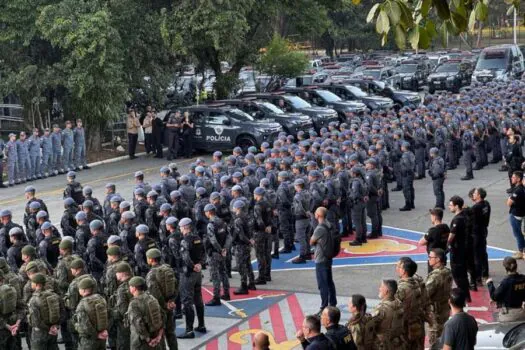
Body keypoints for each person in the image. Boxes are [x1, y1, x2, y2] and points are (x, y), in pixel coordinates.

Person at [177, 217, 206, 338]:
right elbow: (204, 253)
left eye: (180, 227)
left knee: (187, 301)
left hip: (188, 273)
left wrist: (193, 266)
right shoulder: (198, 238)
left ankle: (189, 330)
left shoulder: (185, 241)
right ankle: (201, 324)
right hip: (198, 273)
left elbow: (185, 257)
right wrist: (200, 264)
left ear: (184, 227)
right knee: (198, 298)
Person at [310, 207, 337, 315]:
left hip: (321, 258)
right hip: (328, 256)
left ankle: (324, 306)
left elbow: (311, 241)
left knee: (322, 284)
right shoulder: (329, 224)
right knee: (329, 281)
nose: (314, 214)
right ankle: (333, 303)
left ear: (319, 215)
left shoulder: (320, 228)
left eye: (316, 212)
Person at [204, 203, 231, 305]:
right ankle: (227, 293)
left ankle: (216, 297)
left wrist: (220, 250)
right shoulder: (222, 222)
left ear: (209, 212)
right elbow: (229, 237)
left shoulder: (211, 224)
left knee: (215, 275)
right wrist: (225, 249)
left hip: (215, 253)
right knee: (223, 272)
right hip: (223, 252)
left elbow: (213, 241)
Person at [127, 276, 165, 349]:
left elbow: (138, 324)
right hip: (156, 336)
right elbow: (163, 316)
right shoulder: (152, 298)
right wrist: (159, 336)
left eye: (130, 286)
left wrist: (149, 340)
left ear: (134, 288)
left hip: (140, 342)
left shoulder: (134, 303)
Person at [27, 273, 63, 350]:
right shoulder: (55, 295)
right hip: (53, 331)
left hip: (39, 334)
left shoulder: (33, 300)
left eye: (32, 282)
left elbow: (36, 321)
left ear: (36, 284)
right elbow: (63, 313)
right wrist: (55, 326)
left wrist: (48, 328)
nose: (31, 284)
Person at [425, 248, 453, 348]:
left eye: (430, 257)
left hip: (435, 313)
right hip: (444, 309)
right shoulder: (447, 271)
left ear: (438, 259)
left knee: (434, 340)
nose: (428, 259)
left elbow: (425, 294)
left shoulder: (435, 276)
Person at [448, 195, 471, 302]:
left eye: (451, 205)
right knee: (463, 274)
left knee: (458, 274)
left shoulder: (457, 220)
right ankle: (466, 295)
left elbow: (451, 236)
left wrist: (446, 245)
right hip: (466, 249)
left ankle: (462, 297)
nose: (449, 207)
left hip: (457, 251)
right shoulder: (465, 215)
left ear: (457, 206)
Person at [486, 256, 525, 322]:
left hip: (508, 315)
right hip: (521, 313)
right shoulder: (523, 278)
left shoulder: (506, 282)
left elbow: (494, 296)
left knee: (496, 320)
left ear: (505, 268)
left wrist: (490, 284)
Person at [74, 278, 108, 350]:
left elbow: (85, 326)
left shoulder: (82, 304)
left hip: (89, 340)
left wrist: (76, 326)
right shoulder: (101, 298)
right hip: (102, 337)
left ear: (83, 290)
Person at [419, 208, 450, 272]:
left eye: (431, 216)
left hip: (434, 258)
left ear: (434, 217)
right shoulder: (446, 227)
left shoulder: (433, 230)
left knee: (433, 277)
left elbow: (421, 242)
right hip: (442, 255)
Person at [470, 187, 491, 282]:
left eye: (474, 193)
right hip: (483, 230)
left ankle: (477, 277)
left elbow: (469, 220)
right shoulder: (486, 204)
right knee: (483, 253)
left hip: (475, 233)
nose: (473, 194)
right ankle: (485, 272)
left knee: (476, 255)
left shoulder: (475, 208)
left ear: (478, 195)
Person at [507, 171, 525, 259]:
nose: (511, 178)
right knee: (518, 233)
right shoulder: (520, 188)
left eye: (513, 177)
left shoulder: (518, 190)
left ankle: (521, 251)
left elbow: (508, 203)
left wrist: (509, 198)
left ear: (518, 179)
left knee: (517, 233)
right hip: (520, 212)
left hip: (516, 213)